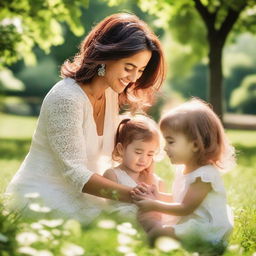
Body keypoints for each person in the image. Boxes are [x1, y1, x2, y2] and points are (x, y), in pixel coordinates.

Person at [5, 13, 166, 224]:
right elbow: (75, 173)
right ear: (106, 55)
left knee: (156, 219)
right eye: (129, 67)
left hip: (89, 196)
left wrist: (145, 180)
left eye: (140, 70)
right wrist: (135, 195)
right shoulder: (66, 98)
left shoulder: (110, 94)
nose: (134, 78)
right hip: (42, 195)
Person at [131, 98, 235, 252]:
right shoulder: (185, 168)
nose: (165, 149)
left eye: (171, 142)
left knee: (157, 230)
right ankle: (153, 229)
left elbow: (185, 207)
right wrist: (158, 195)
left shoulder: (204, 175)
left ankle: (154, 230)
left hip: (205, 229)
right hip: (192, 221)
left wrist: (153, 204)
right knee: (153, 223)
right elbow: (179, 198)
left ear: (195, 145)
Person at [103, 116, 165, 221]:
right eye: (138, 152)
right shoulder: (112, 175)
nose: (143, 159)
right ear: (121, 149)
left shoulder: (155, 181)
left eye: (150, 154)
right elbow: (112, 207)